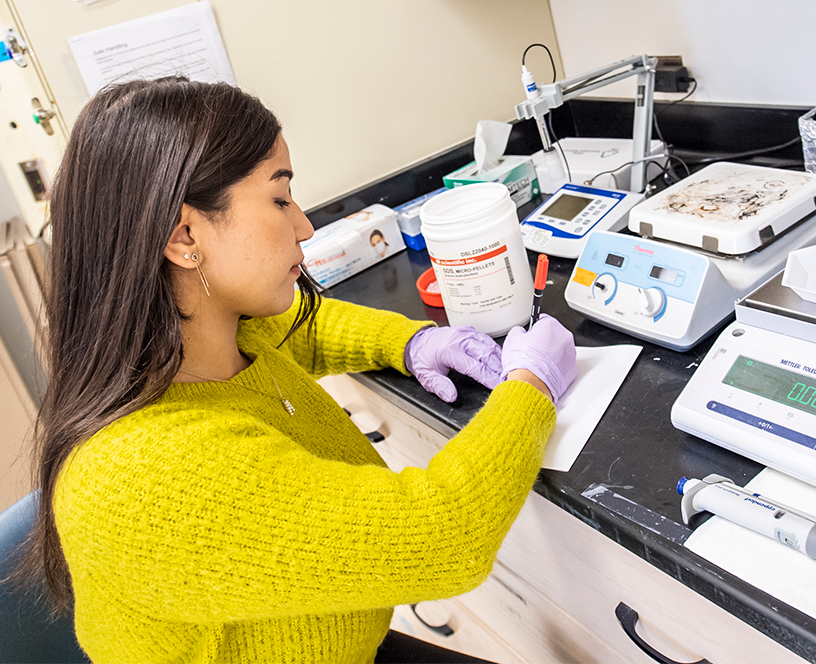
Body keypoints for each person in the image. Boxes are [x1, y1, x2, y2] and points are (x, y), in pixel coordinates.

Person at [24, 77, 578, 664]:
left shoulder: (206, 338)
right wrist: (531, 384)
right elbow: (442, 534)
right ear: (185, 235)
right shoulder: (144, 476)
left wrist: (413, 341)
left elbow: (303, 329)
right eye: (280, 199)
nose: (305, 226)